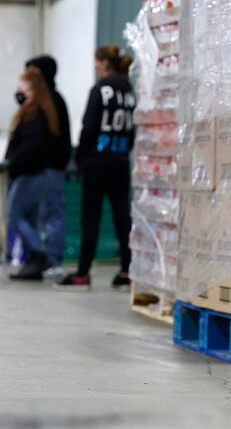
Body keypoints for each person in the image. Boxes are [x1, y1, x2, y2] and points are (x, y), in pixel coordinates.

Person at [57, 45, 135, 288]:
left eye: (96, 61)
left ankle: (82, 272)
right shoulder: (129, 90)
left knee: (90, 218)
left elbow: (89, 127)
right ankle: (127, 270)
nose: (94, 66)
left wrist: (80, 157)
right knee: (123, 217)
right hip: (120, 160)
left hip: (97, 161)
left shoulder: (100, 90)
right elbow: (133, 127)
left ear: (103, 63)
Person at [5, 67, 60, 279]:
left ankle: (39, 253)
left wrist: (14, 163)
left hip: (30, 174)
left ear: (34, 90)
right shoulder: (29, 113)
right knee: (29, 217)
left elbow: (29, 149)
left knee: (15, 216)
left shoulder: (37, 116)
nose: (19, 93)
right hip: (29, 174)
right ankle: (32, 261)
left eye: (23, 89)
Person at [26, 56, 71, 280]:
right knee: (45, 215)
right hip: (46, 169)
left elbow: (53, 140)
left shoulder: (52, 100)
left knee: (52, 214)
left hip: (51, 168)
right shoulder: (44, 100)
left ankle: (53, 260)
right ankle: (45, 257)